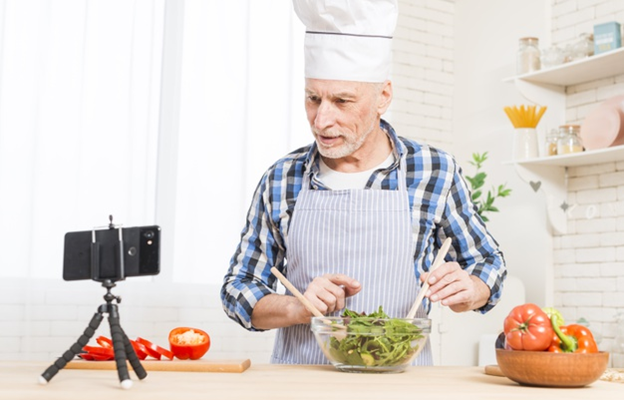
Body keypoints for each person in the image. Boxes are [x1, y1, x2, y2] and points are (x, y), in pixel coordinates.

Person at [220, 0, 506, 366]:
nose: (322, 120)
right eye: (313, 98)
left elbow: (488, 264)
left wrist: (473, 289)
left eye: (342, 101)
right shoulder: (282, 178)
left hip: (403, 384)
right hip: (301, 383)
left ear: (383, 96)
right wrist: (297, 306)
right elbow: (237, 289)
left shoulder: (434, 171)